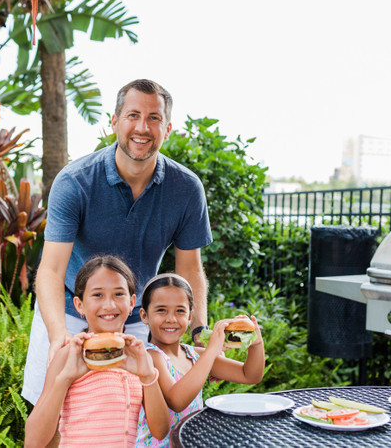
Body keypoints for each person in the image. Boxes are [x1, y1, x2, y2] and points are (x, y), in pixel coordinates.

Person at [22, 79, 213, 404]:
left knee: (130, 415)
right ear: (114, 122)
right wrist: (58, 336)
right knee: (51, 412)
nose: (142, 127)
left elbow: (190, 270)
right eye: (133, 115)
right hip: (69, 313)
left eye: (154, 118)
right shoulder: (74, 181)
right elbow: (51, 270)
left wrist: (198, 332)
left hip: (134, 318)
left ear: (167, 128)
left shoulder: (186, 189)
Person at [24, 255, 170, 447]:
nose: (109, 305)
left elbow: (160, 431)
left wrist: (147, 376)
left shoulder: (138, 356)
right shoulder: (69, 355)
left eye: (119, 294)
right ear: (79, 305)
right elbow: (33, 441)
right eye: (97, 295)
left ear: (132, 302)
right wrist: (65, 378)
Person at [134, 273, 265, 447]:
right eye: (161, 310)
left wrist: (256, 344)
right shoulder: (150, 357)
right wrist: (212, 350)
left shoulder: (194, 355)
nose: (171, 319)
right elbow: (176, 401)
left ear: (190, 317)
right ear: (144, 315)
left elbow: (249, 375)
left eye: (180, 311)